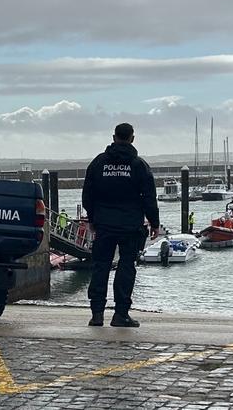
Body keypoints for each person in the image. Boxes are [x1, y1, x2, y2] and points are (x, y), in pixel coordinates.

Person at [82, 123, 161, 327]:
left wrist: (91, 219)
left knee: (100, 266)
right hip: (130, 225)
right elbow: (149, 197)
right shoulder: (138, 165)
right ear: (132, 138)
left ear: (114, 137)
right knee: (126, 267)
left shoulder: (98, 163)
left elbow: (87, 194)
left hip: (104, 224)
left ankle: (97, 314)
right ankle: (121, 314)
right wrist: (154, 223)